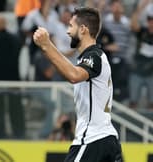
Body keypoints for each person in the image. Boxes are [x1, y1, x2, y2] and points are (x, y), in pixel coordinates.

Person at [33, 7, 122, 162]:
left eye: (70, 26)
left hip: (93, 139)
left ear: (83, 29)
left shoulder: (94, 56)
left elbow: (73, 75)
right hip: (106, 138)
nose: (68, 32)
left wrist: (47, 45)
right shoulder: (93, 57)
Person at [0, 14, 25, 139]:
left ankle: (1, 133)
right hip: (13, 79)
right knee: (15, 106)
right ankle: (18, 132)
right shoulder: (15, 39)